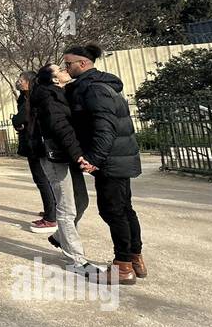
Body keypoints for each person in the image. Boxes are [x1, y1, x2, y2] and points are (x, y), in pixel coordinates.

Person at [64, 44, 144, 285]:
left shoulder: (95, 90)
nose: (66, 68)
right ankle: (134, 258)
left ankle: (123, 266)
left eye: (69, 64)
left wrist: (94, 159)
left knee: (113, 210)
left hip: (111, 160)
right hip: (117, 158)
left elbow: (104, 127)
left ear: (84, 64)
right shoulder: (98, 86)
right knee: (124, 209)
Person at [29, 62, 94, 268]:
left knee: (81, 201)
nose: (66, 71)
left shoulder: (61, 93)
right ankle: (75, 259)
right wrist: (78, 156)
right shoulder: (48, 98)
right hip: (56, 157)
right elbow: (61, 128)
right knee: (66, 209)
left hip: (67, 154)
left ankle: (59, 236)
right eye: (60, 70)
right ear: (55, 79)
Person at [13, 71, 58, 234]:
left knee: (42, 180)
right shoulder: (24, 98)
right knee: (44, 179)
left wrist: (18, 121)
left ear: (29, 82)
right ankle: (51, 210)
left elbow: (19, 119)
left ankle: (51, 218)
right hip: (32, 142)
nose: (18, 82)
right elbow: (20, 121)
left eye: (21, 80)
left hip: (37, 144)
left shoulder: (33, 98)